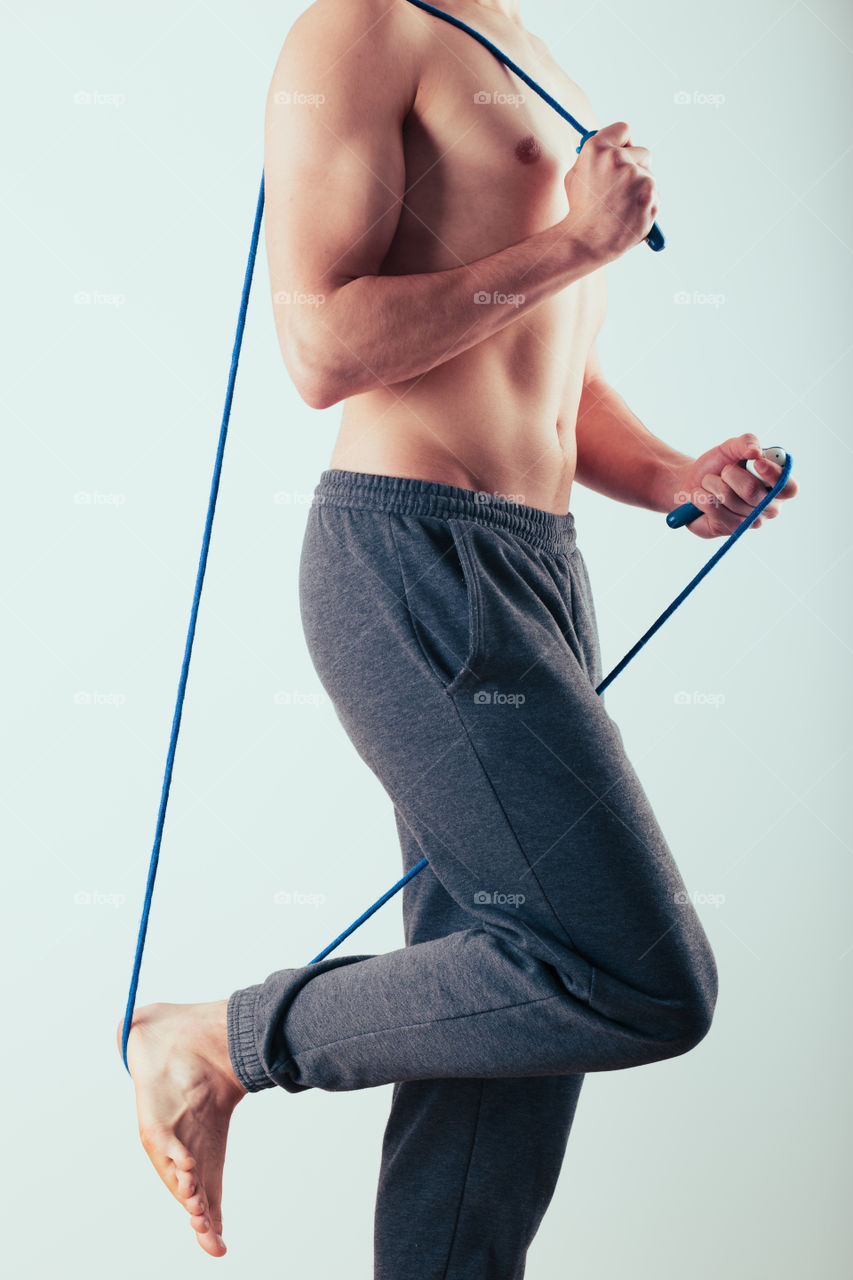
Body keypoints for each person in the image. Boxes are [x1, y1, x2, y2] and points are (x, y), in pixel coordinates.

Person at [118, 0, 798, 1271]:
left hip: (535, 570)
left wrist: (671, 476)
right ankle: (215, 1038)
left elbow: (541, 362)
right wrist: (574, 243)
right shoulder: (365, 26)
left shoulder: (521, 43)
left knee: (514, 1020)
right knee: (639, 975)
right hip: (415, 554)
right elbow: (321, 345)